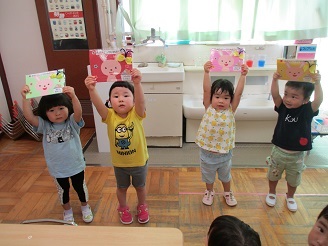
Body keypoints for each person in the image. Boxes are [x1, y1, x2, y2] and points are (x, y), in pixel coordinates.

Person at [84, 69, 149, 225]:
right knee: (121, 188)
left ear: (133, 101)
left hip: (139, 162)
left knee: (140, 187)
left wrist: (137, 84)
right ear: (110, 101)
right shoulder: (109, 116)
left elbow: (141, 102)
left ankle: (142, 206)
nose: (121, 99)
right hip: (120, 164)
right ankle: (123, 207)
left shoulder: (137, 114)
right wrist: (91, 90)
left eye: (126, 95)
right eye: (116, 96)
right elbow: (98, 105)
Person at [21, 85, 93, 223]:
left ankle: (85, 207)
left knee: (80, 188)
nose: (57, 113)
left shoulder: (72, 122)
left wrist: (73, 96)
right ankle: (67, 211)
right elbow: (30, 118)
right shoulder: (45, 125)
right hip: (57, 168)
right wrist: (25, 99)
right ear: (45, 113)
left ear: (68, 108)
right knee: (63, 191)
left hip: (76, 165)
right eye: (52, 110)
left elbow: (78, 113)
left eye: (61, 108)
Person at [265, 71, 323, 212]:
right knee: (273, 174)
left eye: (293, 97)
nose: (288, 99)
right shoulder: (283, 107)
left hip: (297, 156)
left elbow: (318, 100)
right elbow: (275, 95)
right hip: (278, 151)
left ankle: (290, 196)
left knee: (294, 179)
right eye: (286, 94)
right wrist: (274, 80)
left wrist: (317, 83)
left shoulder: (307, 110)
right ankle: (271, 193)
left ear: (305, 99)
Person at [195, 61, 248, 207]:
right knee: (208, 177)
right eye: (217, 96)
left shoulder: (231, 110)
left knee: (225, 177)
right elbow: (206, 90)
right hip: (207, 154)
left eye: (226, 98)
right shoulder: (209, 107)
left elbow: (238, 93)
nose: (221, 101)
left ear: (230, 100)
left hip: (224, 154)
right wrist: (206, 73)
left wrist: (243, 75)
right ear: (211, 97)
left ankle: (227, 192)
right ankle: (209, 192)